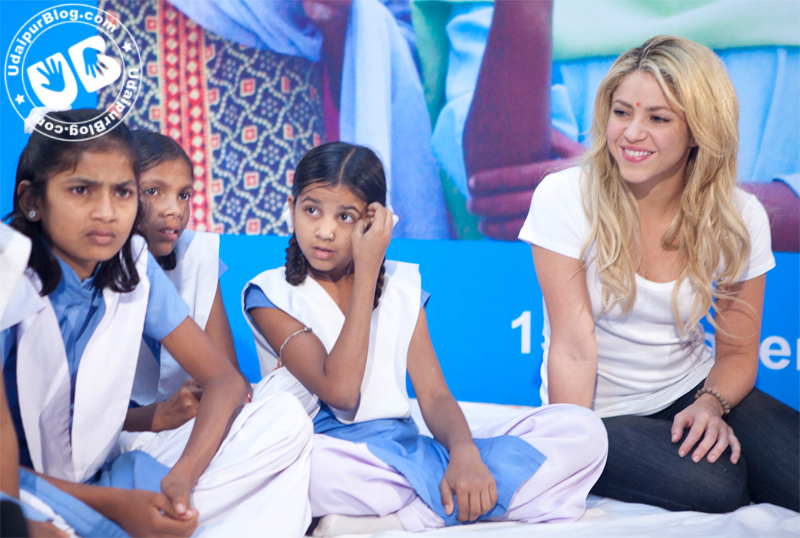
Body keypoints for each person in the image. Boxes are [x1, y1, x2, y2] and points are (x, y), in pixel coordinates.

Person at [243, 141, 607, 536]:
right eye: (311, 210)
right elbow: (341, 391)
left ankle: (399, 517)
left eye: (345, 216)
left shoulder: (401, 285)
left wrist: (465, 455)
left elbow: (433, 397)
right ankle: (449, 503)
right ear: (292, 206)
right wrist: (367, 271)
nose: (325, 230)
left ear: (374, 221)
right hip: (333, 455)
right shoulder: (269, 294)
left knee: (583, 431)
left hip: (405, 451)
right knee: (306, 471)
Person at [519, 36, 799, 513]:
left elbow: (736, 352)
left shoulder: (739, 215)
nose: (632, 133)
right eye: (622, 112)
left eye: (658, 118)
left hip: (692, 385)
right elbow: (573, 347)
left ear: (698, 132)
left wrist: (709, 404)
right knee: (718, 484)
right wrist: (573, 447)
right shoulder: (564, 197)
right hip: (604, 411)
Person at [2, 109, 313, 536]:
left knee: (283, 417)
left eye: (122, 192)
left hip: (107, 476)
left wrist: (181, 478)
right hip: (24, 488)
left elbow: (225, 380)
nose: (107, 212)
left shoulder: (134, 265)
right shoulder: (6, 275)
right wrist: (118, 506)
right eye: (81, 190)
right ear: (31, 201)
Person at [124, 130, 239, 433]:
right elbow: (73, 421)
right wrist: (158, 417)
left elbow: (230, 380)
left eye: (183, 195)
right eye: (153, 191)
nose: (175, 209)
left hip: (191, 426)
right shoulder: (91, 266)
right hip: (113, 436)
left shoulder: (198, 254)